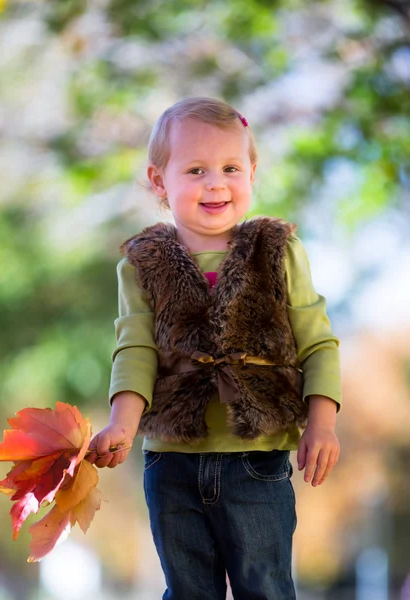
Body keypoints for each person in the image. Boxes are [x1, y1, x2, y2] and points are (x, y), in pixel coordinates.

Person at [87, 97, 341, 600]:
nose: (215, 183)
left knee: (264, 586)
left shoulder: (277, 250)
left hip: (256, 455)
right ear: (160, 181)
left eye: (230, 168)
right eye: (196, 169)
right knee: (187, 590)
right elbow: (134, 349)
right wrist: (123, 423)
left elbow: (318, 342)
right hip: (172, 460)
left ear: (251, 171)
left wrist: (323, 423)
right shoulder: (142, 264)